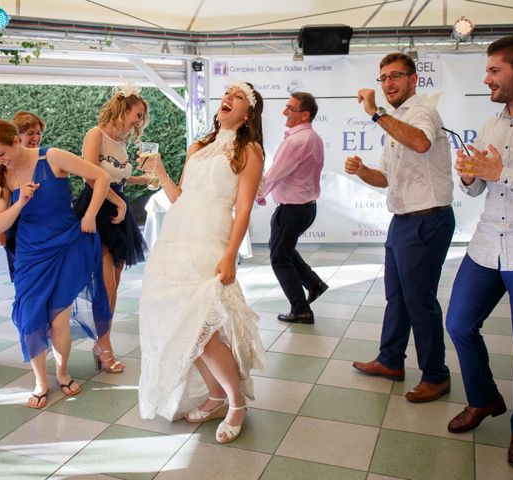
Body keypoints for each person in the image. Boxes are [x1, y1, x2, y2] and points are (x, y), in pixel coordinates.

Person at [445, 35, 513, 469]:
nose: (486, 78)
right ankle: (484, 398)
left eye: (494, 70)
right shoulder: (492, 125)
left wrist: (502, 173)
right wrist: (470, 177)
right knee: (458, 323)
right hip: (487, 241)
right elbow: (477, 190)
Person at [138, 82, 267, 444]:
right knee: (182, 326)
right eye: (227, 92)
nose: (228, 97)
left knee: (201, 328)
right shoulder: (199, 146)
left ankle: (235, 402)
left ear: (249, 112)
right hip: (176, 237)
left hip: (210, 238)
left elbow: (243, 208)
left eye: (238, 96)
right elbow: (180, 197)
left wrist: (231, 255)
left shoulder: (250, 150)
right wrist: (160, 172)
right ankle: (213, 396)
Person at [344, 52, 455, 403]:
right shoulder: (395, 121)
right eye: (384, 78)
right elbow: (386, 177)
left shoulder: (421, 113)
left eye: (396, 76)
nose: (388, 84)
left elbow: (421, 142)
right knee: (397, 297)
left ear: (413, 80)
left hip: (426, 220)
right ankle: (391, 360)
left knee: (419, 301)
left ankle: (436, 376)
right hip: (403, 220)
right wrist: (363, 171)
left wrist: (375, 112)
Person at [0, 118, 112, 408]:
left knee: (58, 319)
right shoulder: (2, 173)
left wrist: (89, 215)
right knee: (29, 318)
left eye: (0, 153)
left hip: (66, 245)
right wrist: (20, 202)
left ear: (16, 142)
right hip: (31, 253)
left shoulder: (51, 157)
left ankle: (62, 373)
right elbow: (0, 223)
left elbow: (101, 177)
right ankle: (40, 381)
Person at [74, 85, 151, 373]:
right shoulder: (96, 135)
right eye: (138, 114)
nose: (139, 121)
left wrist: (143, 180)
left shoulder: (121, 143)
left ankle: (102, 341)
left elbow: (118, 177)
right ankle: (103, 345)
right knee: (105, 284)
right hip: (98, 210)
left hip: (118, 211)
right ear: (123, 108)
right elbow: (92, 176)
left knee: (114, 284)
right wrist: (119, 202)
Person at [255, 91, 327, 325]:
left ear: (305, 114)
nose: (284, 112)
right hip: (304, 208)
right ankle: (314, 283)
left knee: (279, 258)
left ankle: (301, 309)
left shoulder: (298, 140)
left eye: (290, 108)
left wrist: (256, 194)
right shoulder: (312, 137)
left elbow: (275, 173)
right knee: (281, 249)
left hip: (293, 210)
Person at [0, 111, 46, 280]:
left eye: (39, 133)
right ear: (17, 137)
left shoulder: (43, 158)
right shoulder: (2, 165)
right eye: (30, 133)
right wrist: (0, 230)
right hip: (17, 230)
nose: (36, 137)